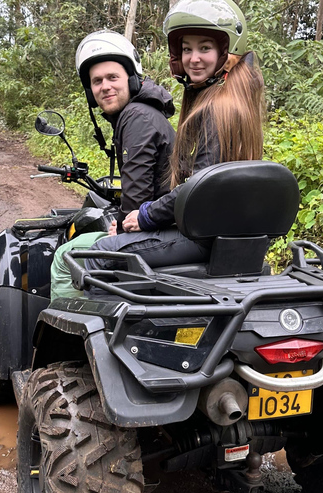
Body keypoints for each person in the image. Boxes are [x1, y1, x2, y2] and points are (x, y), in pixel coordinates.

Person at [82, 0, 264, 276]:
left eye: (205, 48)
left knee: (94, 255)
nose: (194, 58)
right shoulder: (233, 100)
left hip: (204, 235)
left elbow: (199, 187)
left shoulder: (220, 108)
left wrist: (145, 215)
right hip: (221, 230)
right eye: (187, 49)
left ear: (225, 51)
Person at [49, 30, 176, 301]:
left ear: (131, 79)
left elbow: (138, 192)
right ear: (90, 91)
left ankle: (66, 334)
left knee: (64, 256)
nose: (104, 86)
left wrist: (121, 223)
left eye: (112, 77)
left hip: (160, 227)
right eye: (97, 81)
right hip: (165, 219)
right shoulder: (143, 113)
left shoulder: (136, 117)